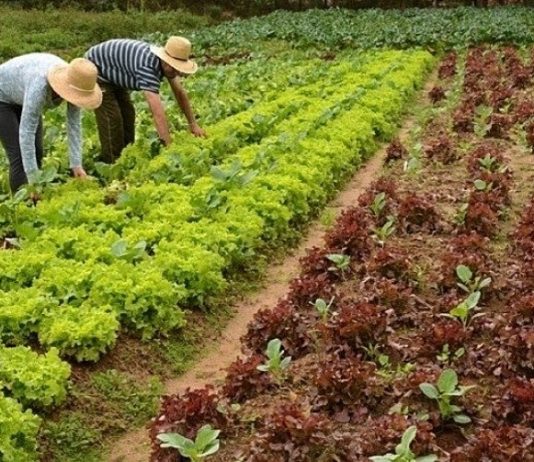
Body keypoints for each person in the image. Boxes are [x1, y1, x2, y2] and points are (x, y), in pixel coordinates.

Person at [85, 36, 206, 163]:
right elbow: (157, 113)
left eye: (178, 68)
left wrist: (193, 124)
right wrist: (169, 148)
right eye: (173, 66)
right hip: (95, 69)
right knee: (112, 118)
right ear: (164, 59)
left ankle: (126, 155)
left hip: (114, 71)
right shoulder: (147, 66)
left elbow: (180, 93)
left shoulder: (169, 67)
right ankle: (112, 163)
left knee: (128, 113)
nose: (175, 71)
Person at [0, 54, 102, 192]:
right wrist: (33, 180)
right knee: (18, 156)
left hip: (22, 93)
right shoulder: (40, 86)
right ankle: (22, 201)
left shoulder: (77, 82)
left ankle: (35, 195)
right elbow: (26, 131)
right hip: (2, 97)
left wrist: (76, 164)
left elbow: (74, 125)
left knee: (37, 150)